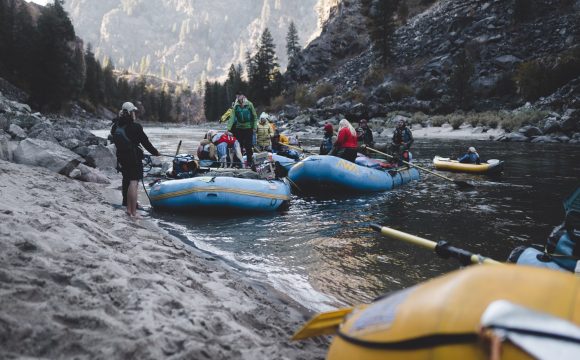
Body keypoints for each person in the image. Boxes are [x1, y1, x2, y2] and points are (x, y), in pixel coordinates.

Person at [111, 102, 160, 218]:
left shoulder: (115, 126)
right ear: (129, 113)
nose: (135, 114)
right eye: (133, 111)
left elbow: (114, 137)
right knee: (133, 183)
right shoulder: (136, 127)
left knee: (127, 180)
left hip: (121, 158)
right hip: (133, 158)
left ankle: (128, 208)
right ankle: (133, 212)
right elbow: (145, 142)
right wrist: (155, 152)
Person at [228, 93, 257, 169]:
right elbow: (232, 117)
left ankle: (250, 163)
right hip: (239, 128)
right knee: (238, 146)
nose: (238, 98)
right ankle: (237, 163)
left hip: (248, 127)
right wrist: (228, 128)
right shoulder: (236, 106)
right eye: (237, 96)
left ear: (243, 97)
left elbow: (254, 116)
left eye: (240, 96)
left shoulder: (249, 104)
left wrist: (254, 127)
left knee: (248, 146)